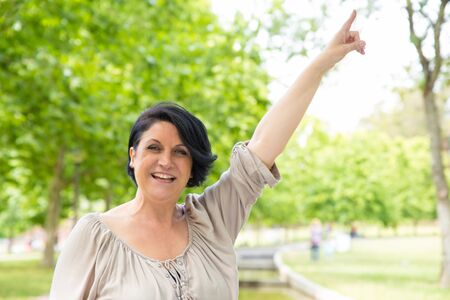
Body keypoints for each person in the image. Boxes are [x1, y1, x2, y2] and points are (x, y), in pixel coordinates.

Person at [49, 10, 365, 300]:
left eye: (180, 152)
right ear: (133, 156)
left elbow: (264, 146)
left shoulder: (213, 220)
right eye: (154, 147)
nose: (165, 161)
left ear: (192, 166)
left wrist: (322, 62)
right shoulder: (94, 235)